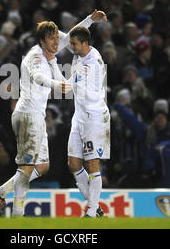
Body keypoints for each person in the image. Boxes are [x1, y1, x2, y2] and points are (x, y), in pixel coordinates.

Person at [0, 10, 106, 217]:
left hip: (36, 117)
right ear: (42, 41)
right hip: (27, 115)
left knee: (41, 166)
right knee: (27, 166)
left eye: (57, 38)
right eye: (52, 39)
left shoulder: (50, 53)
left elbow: (68, 38)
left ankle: (0, 193)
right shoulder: (36, 57)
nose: (57, 43)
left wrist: (89, 21)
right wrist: (56, 84)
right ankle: (17, 216)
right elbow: (39, 77)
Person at [64, 25, 110, 218]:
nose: (71, 47)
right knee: (73, 164)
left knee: (93, 166)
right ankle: (95, 206)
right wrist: (90, 19)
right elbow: (66, 37)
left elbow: (65, 87)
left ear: (85, 43)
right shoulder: (81, 51)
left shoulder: (91, 65)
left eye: (74, 44)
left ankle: (91, 212)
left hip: (94, 118)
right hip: (79, 117)